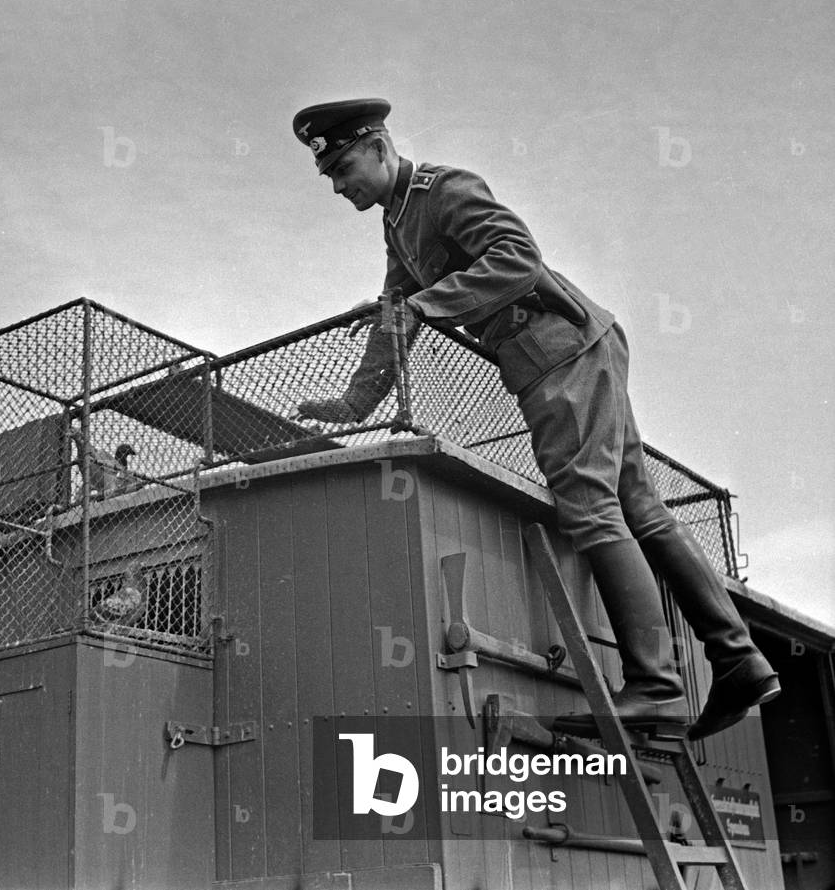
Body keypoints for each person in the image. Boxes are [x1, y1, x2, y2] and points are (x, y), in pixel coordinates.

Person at [291, 97, 780, 740]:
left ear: (380, 147)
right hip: (564, 351)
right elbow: (396, 314)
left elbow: (517, 257)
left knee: (591, 506)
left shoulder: (445, 189)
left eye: (344, 165)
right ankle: (739, 661)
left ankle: (657, 687)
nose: (338, 184)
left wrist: (429, 303)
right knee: (640, 507)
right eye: (329, 176)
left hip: (558, 349)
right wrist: (354, 404)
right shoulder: (397, 225)